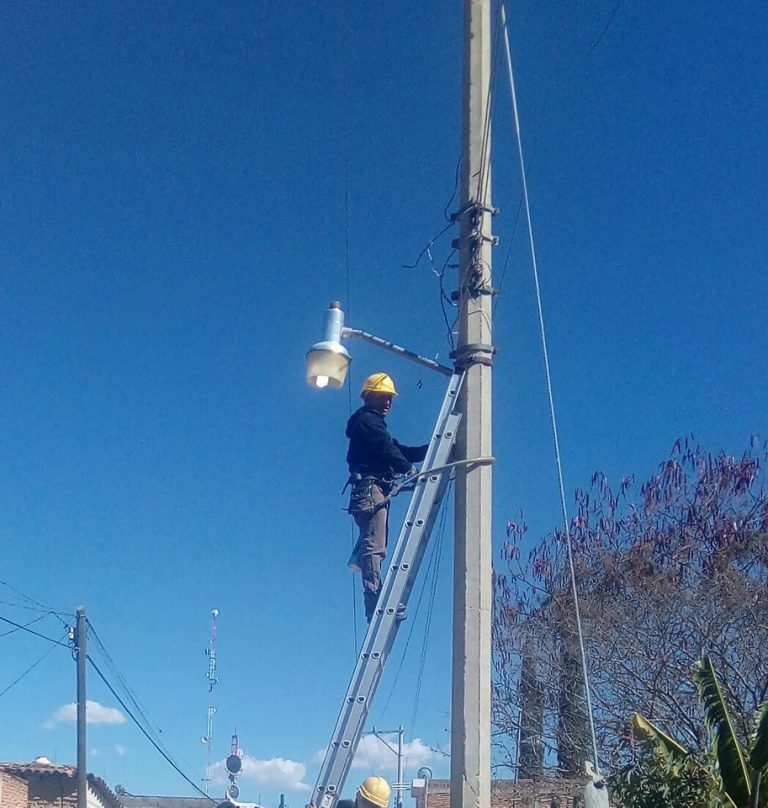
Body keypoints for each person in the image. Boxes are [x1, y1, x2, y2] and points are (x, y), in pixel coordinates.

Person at [346, 373, 428, 622]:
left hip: (372, 490)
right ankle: (374, 601)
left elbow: (395, 448)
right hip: (370, 490)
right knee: (375, 546)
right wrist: (407, 469)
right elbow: (386, 448)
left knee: (375, 543)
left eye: (390, 398)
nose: (388, 403)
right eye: (383, 397)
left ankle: (372, 590)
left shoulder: (371, 423)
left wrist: (429, 451)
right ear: (368, 396)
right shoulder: (368, 421)